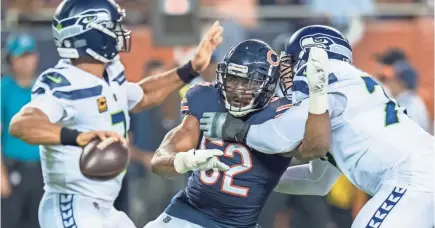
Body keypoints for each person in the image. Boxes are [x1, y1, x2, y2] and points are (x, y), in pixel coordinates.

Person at [8, 0, 223, 227]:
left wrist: (192, 69)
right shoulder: (63, 82)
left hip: (105, 207)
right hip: (71, 204)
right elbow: (22, 124)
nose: (118, 32)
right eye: (111, 26)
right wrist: (76, 137)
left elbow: (144, 94)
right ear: (90, 33)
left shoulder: (110, 72)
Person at [200, 25, 434, 228]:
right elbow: (318, 181)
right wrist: (255, 176)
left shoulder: (322, 71)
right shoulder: (348, 91)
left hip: (410, 178)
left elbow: (281, 136)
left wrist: (233, 128)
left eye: (291, 62)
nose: (287, 72)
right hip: (419, 175)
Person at [145, 39, 293, 228]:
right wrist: (184, 161)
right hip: (187, 216)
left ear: (268, 84)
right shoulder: (205, 98)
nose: (238, 90)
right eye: (233, 78)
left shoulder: (282, 113)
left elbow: (313, 149)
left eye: (249, 81)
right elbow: (158, 162)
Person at [1, 33, 42, 228]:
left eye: (29, 55)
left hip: (43, 171)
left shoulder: (45, 88)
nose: (26, 62)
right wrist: (0, 174)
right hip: (13, 169)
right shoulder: (3, 90)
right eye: (20, 56)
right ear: (11, 60)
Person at [375, 48, 431, 133]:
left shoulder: (410, 107)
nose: (388, 83)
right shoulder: (409, 101)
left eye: (391, 79)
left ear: (400, 82)